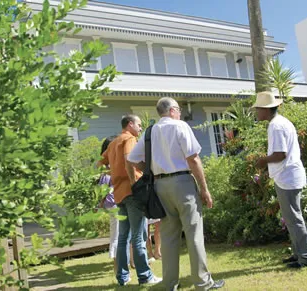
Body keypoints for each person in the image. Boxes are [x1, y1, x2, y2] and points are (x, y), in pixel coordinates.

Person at [128, 97, 225, 291]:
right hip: (182, 182)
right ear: (172, 110)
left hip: (159, 186)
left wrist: (150, 167)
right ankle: (203, 283)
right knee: (194, 234)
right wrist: (204, 189)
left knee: (169, 236)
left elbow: (133, 159)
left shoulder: (150, 131)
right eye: (178, 109)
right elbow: (193, 159)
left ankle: (170, 284)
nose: (180, 112)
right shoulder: (180, 126)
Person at [252, 91, 307, 268]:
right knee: (291, 219)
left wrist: (262, 161)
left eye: (258, 109)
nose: (256, 112)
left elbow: (280, 154)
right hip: (288, 176)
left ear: (265, 109)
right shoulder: (280, 122)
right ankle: (299, 254)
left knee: (294, 219)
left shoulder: (276, 126)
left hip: (288, 178)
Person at [98, 114, 161, 286]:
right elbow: (129, 161)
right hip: (131, 194)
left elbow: (100, 162)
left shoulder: (112, 143)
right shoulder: (129, 139)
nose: (140, 128)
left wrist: (112, 173)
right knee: (138, 236)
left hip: (118, 195)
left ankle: (122, 278)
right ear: (130, 124)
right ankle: (145, 276)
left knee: (123, 238)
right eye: (139, 125)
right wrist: (134, 184)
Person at [96, 136, 119, 273]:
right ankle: (117, 265)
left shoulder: (110, 166)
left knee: (120, 233)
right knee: (117, 234)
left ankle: (124, 262)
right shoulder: (107, 168)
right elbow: (103, 189)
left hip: (116, 203)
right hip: (115, 204)